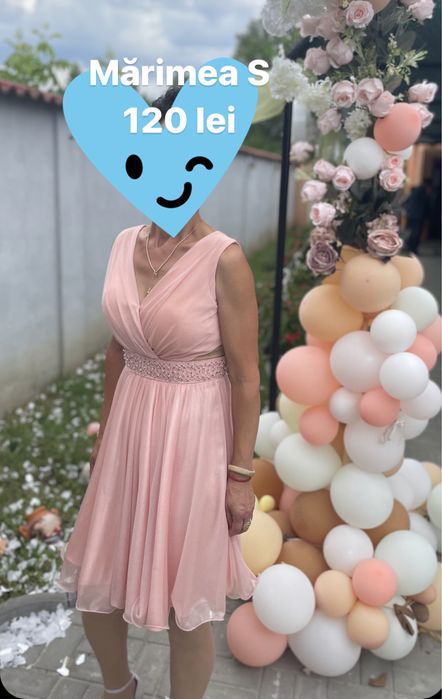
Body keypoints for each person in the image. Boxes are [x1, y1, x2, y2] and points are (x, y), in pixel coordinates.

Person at [55, 85, 261, 699]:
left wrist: (240, 475)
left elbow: (246, 377)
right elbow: (119, 348)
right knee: (99, 576)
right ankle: (119, 689)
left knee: (183, 603)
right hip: (129, 428)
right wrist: (104, 431)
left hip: (194, 436)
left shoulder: (224, 260)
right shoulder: (124, 244)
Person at [403, 178, 432, 255]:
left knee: (412, 232)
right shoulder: (422, 192)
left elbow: (406, 201)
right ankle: (412, 248)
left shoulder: (415, 190)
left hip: (412, 215)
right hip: (418, 216)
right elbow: (425, 205)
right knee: (415, 233)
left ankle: (410, 247)